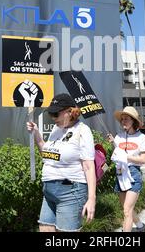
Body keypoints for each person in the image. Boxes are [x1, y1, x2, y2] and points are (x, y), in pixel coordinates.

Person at [26, 93, 96, 232]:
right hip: (49, 190)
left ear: (70, 112)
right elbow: (47, 156)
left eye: (56, 113)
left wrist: (91, 198)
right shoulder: (56, 129)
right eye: (51, 113)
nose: (53, 118)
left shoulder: (82, 130)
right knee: (45, 229)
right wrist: (36, 133)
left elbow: (88, 167)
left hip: (71, 191)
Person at [107, 106, 145, 232]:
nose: (123, 121)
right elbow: (117, 153)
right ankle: (141, 227)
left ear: (133, 121)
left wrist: (126, 157)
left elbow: (143, 160)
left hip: (133, 174)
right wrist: (112, 143)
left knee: (127, 210)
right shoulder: (119, 137)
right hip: (120, 174)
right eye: (122, 119)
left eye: (126, 119)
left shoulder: (142, 138)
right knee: (127, 209)